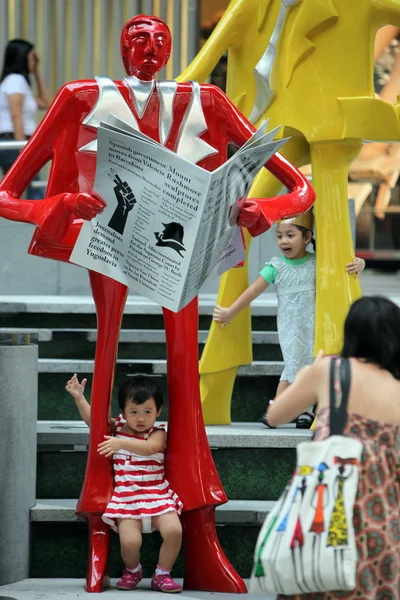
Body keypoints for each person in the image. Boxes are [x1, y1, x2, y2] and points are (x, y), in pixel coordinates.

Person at [0, 14, 314, 592]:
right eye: (137, 39)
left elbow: (300, 187)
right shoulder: (80, 96)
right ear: (122, 46)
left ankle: (196, 520)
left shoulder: (208, 100)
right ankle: (101, 524)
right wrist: (63, 202)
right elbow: (7, 193)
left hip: (182, 249)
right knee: (106, 351)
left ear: (171, 50)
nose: (148, 49)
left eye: (159, 40)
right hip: (109, 242)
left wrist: (257, 211)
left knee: (184, 377)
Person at [267, 295, 400, 599]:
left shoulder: (329, 370)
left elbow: (275, 416)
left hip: (325, 507)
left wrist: (305, 373)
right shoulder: (397, 387)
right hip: (382, 514)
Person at [213, 210, 365, 429]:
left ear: (306, 237)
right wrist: (230, 312)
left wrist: (360, 264)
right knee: (293, 365)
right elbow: (252, 292)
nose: (283, 241)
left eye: (290, 235)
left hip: (314, 325)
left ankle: (299, 411)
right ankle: (282, 410)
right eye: (279, 235)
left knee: (307, 365)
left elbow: (349, 264)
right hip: (290, 327)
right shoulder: (275, 267)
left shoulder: (319, 262)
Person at [66, 372, 183, 593]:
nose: (141, 418)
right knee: (130, 542)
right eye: (134, 412)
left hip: (157, 494)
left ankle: (162, 573)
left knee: (174, 530)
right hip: (127, 498)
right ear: (123, 412)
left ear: (158, 411)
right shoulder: (117, 428)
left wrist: (121, 444)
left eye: (148, 412)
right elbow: (93, 421)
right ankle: (133, 570)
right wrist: (80, 398)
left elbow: (151, 448)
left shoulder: (158, 432)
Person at [0, 39, 50, 198]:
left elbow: (46, 102)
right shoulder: (15, 81)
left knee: (26, 190)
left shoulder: (18, 83)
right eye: (31, 56)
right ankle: (41, 222)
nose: (33, 60)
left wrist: (36, 72)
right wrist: (23, 151)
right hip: (15, 142)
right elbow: (16, 116)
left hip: (14, 142)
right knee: (34, 191)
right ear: (22, 57)